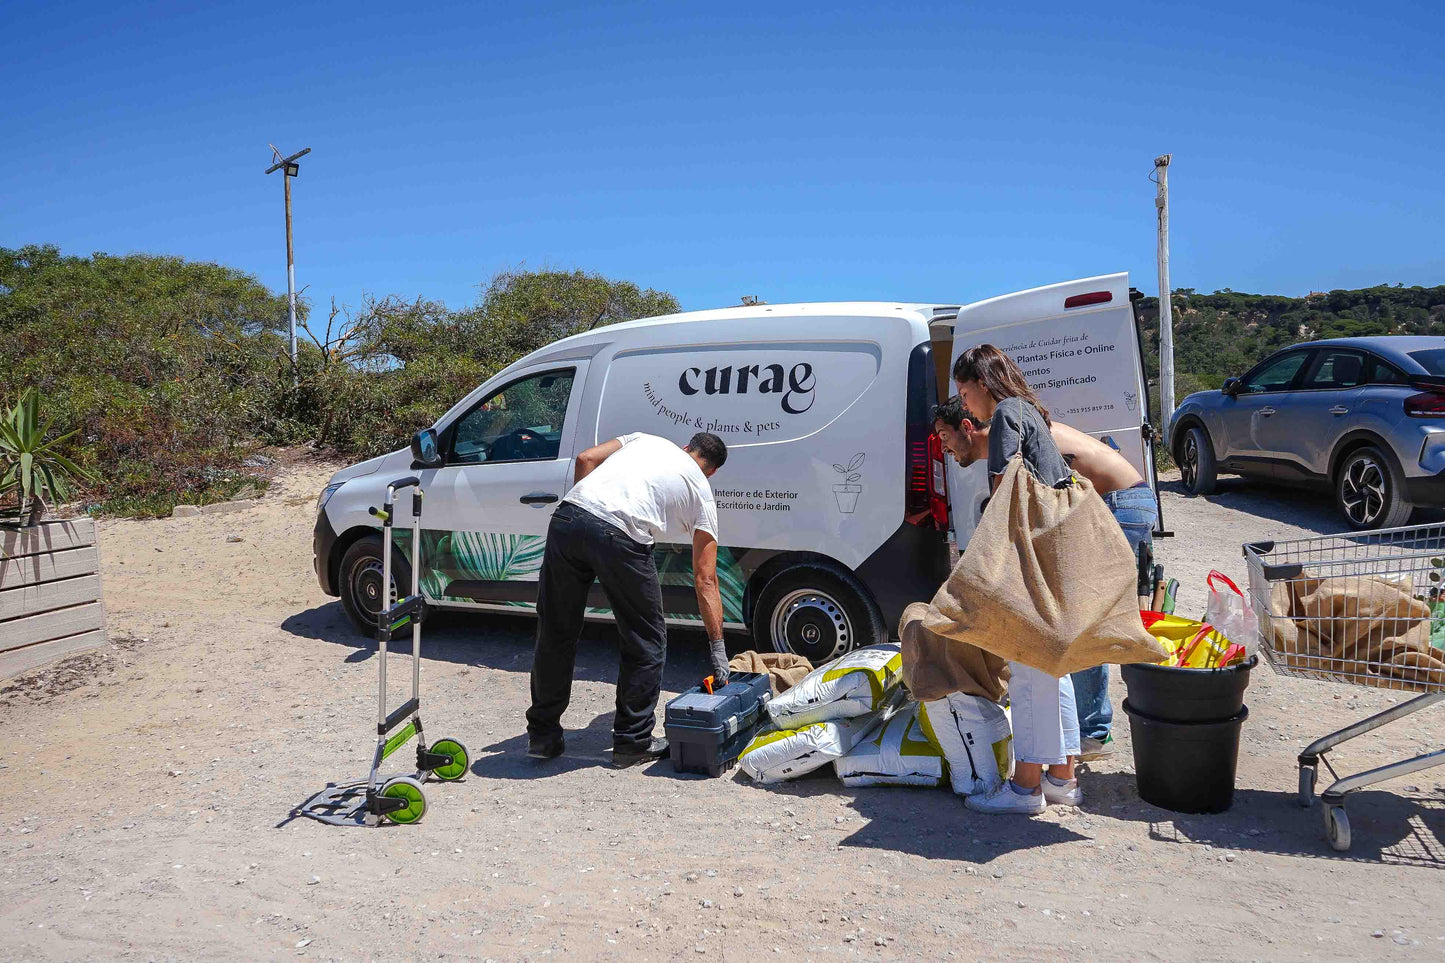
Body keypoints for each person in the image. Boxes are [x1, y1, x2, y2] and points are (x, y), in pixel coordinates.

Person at [932, 395, 1158, 759]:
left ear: (968, 428)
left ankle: (1091, 733)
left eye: (944, 435)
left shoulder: (1009, 435)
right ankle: (1086, 732)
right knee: (1075, 620)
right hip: (1123, 500)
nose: (943, 448)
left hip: (1120, 502)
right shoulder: (1012, 434)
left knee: (1077, 621)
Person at [525, 431, 731, 768]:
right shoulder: (703, 493)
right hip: (621, 534)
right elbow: (705, 578)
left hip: (569, 516)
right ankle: (632, 742)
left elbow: (585, 459)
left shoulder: (645, 438)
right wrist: (717, 647)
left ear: (685, 446)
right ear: (712, 471)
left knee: (556, 631)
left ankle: (543, 737)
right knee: (646, 640)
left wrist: (587, 520)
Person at [951, 344, 1082, 815]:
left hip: (1029, 562)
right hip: (1054, 555)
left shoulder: (1007, 413)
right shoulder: (1031, 413)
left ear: (983, 384)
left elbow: (1005, 494)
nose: (964, 403)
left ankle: (1026, 789)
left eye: (964, 391)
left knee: (1028, 672)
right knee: (1053, 668)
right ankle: (1061, 780)